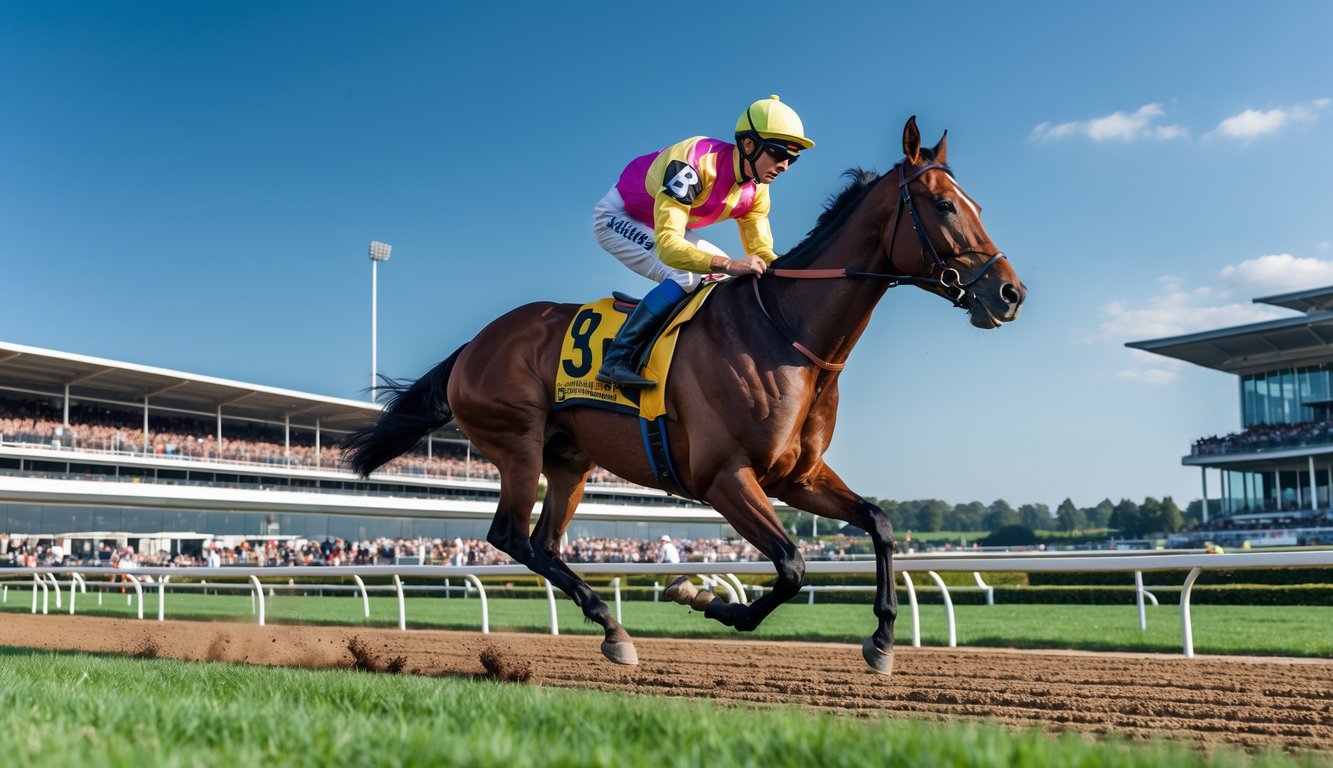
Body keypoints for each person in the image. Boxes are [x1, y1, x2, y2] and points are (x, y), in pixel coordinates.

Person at [593, 95, 815, 388]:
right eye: (777, 153)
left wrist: (798, 276)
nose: (784, 166)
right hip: (619, 216)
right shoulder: (694, 163)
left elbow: (762, 252)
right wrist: (728, 263)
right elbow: (668, 246)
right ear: (749, 144)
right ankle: (616, 358)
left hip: (662, 225)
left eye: (792, 158)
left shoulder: (757, 190)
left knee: (719, 279)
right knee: (686, 275)